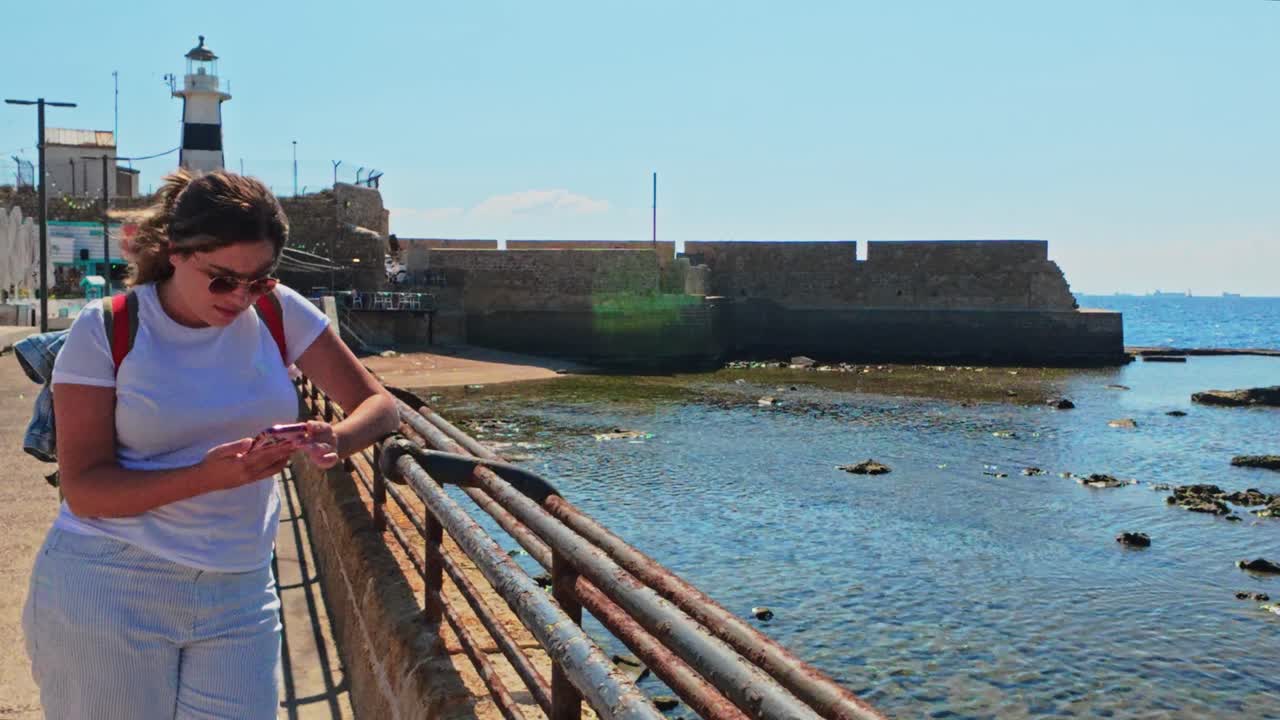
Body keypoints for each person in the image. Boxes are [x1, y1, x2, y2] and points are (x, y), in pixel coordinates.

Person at [21, 169, 400, 719]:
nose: (241, 298)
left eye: (260, 280)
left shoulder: (278, 310)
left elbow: (379, 404)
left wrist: (335, 439)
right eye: (222, 280)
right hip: (111, 584)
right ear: (175, 252)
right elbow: (85, 490)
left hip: (240, 587)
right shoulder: (105, 329)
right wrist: (207, 477)